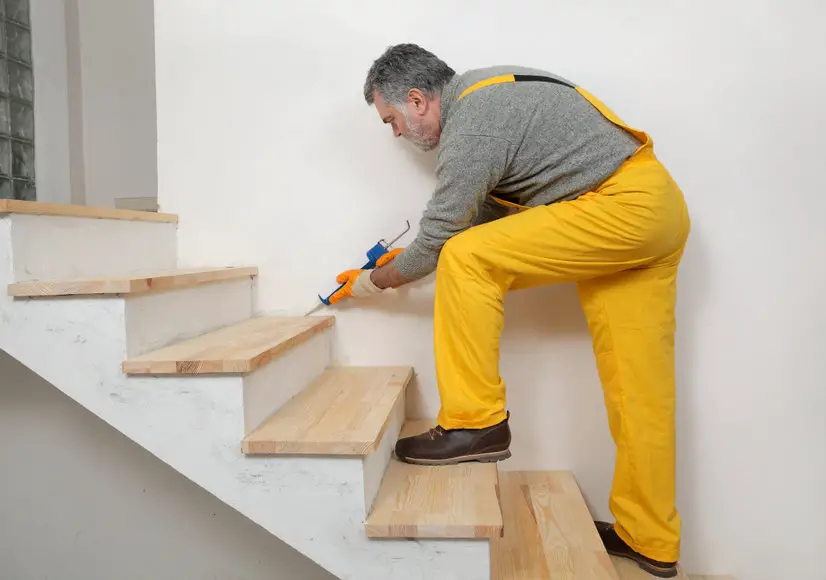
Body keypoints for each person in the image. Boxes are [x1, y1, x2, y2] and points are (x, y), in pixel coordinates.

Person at [330, 43, 690, 578]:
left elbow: (447, 243)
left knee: (465, 259)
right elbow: (486, 223)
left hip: (621, 208)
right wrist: (402, 259)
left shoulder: (473, 124)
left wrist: (369, 285)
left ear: (416, 99)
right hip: (651, 209)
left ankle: (475, 423)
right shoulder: (488, 99)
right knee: (639, 391)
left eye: (392, 121)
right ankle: (651, 539)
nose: (396, 135)